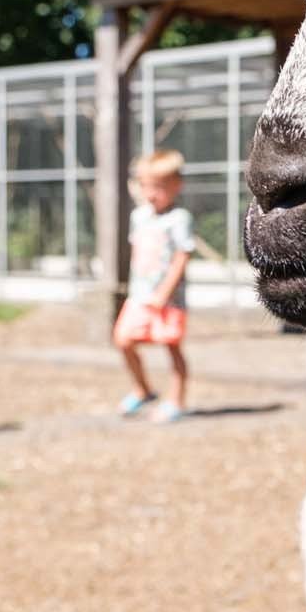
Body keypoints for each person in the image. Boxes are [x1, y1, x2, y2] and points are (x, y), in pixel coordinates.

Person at [113, 150, 195, 423]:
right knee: (123, 340)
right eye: (145, 186)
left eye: (158, 187)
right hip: (140, 296)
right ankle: (143, 389)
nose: (150, 193)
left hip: (167, 301)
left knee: (172, 347)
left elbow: (181, 257)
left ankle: (176, 401)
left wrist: (164, 293)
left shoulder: (179, 219)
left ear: (176, 186)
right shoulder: (140, 217)